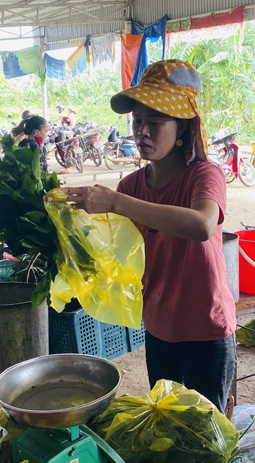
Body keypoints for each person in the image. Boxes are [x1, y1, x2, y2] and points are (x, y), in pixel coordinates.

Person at [53, 60, 236, 412]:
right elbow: (115, 250)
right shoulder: (132, 185)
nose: (143, 132)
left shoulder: (204, 175)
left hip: (207, 329)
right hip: (159, 327)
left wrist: (118, 203)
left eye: (155, 122)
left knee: (207, 430)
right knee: (167, 422)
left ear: (182, 128)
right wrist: (69, 225)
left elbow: (202, 225)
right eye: (138, 121)